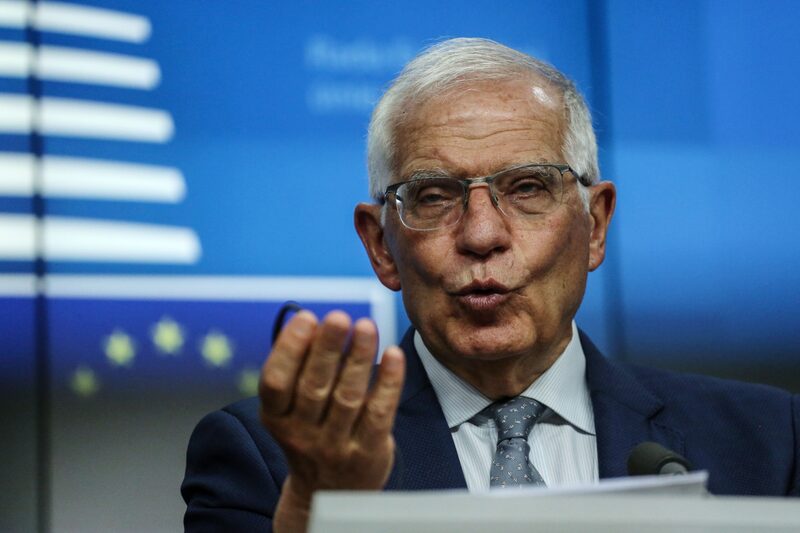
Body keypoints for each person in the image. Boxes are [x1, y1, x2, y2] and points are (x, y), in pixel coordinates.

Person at [182, 38, 800, 532]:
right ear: (380, 245)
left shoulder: (771, 441)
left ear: (595, 225)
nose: (481, 235)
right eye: (432, 195)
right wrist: (319, 501)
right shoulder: (263, 459)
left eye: (528, 188)